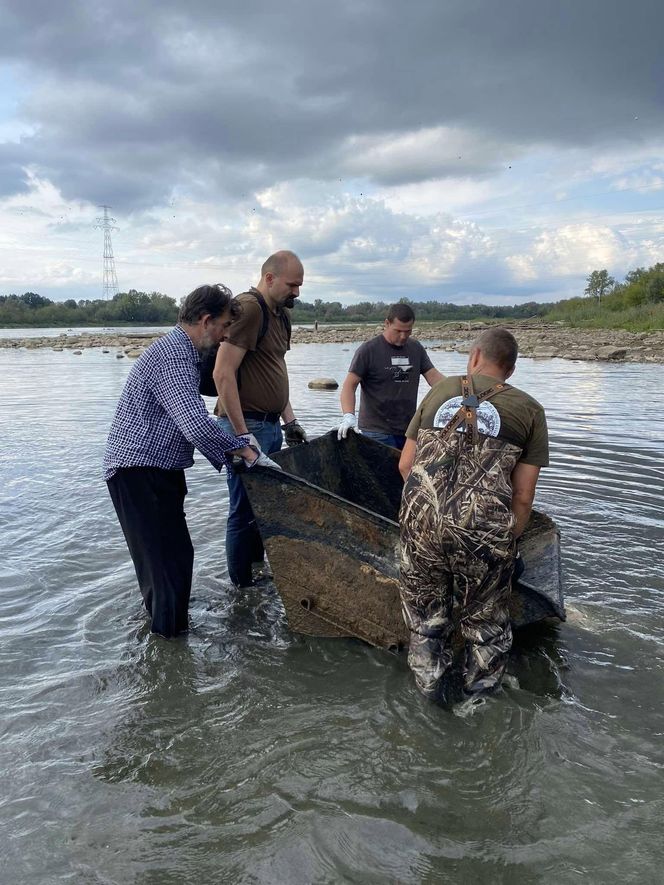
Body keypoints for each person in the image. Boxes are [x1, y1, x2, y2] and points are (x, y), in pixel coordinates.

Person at [104, 283, 280, 638]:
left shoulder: (182, 352)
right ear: (205, 321)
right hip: (138, 473)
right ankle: (170, 648)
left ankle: (162, 636)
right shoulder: (174, 354)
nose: (224, 337)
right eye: (222, 328)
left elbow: (212, 392)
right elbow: (195, 424)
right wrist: (247, 451)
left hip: (158, 471)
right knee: (167, 568)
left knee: (175, 562)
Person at [398, 327, 549, 703]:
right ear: (510, 370)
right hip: (481, 530)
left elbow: (406, 465)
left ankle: (429, 697)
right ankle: (475, 703)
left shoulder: (439, 391)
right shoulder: (530, 409)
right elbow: (524, 496)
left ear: (474, 355)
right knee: (485, 629)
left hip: (421, 521)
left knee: (425, 624)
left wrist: (429, 517)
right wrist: (504, 542)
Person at [213, 250, 308, 588]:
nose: (297, 292)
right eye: (292, 284)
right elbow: (223, 373)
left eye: (299, 285)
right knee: (243, 509)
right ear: (269, 278)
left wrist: (290, 420)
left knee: (262, 507)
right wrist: (241, 436)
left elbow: (274, 370)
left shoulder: (280, 316)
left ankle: (255, 573)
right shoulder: (250, 309)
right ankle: (241, 587)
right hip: (247, 426)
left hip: (270, 425)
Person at [337, 303, 444, 449]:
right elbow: (349, 386)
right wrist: (348, 415)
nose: (403, 336)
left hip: (408, 430)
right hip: (376, 431)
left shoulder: (415, 348)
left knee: (407, 471)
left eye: (408, 331)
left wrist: (457, 391)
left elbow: (434, 377)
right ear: (387, 323)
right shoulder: (368, 350)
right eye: (398, 330)